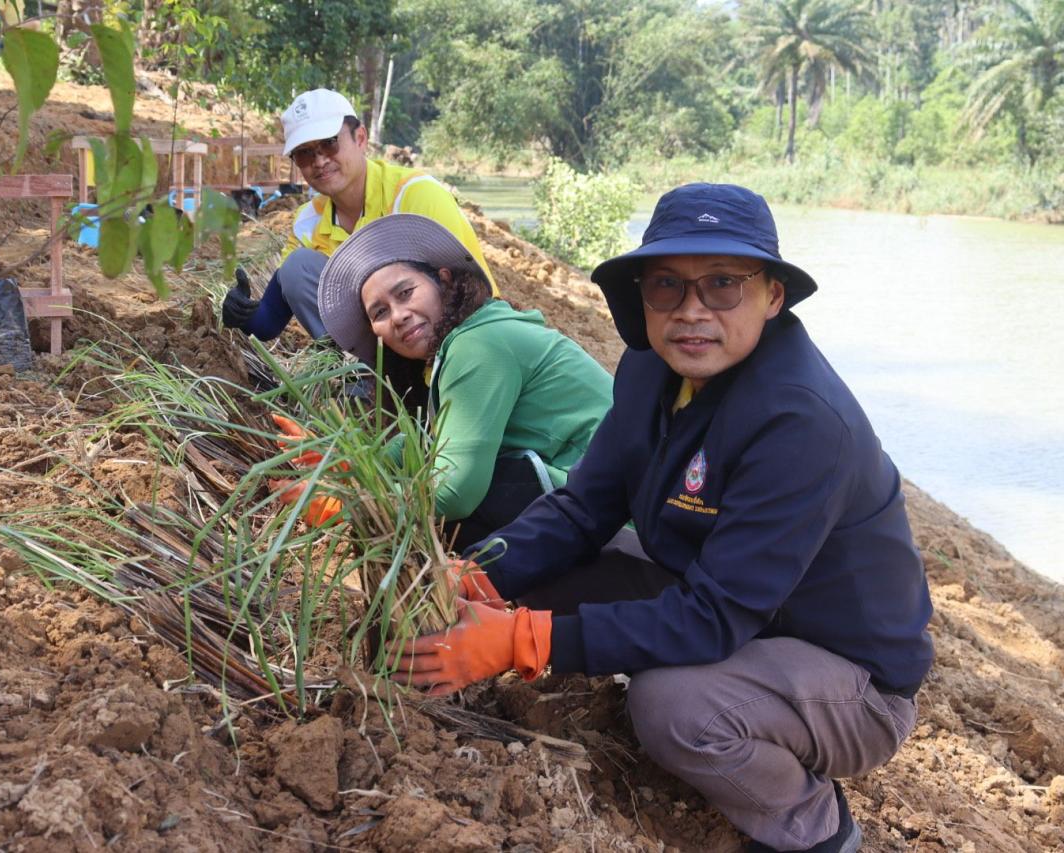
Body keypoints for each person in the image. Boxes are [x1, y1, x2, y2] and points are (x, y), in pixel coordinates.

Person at [392, 184, 935, 853]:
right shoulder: (653, 370)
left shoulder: (800, 421)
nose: (692, 310)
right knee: (560, 573)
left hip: (850, 678)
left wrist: (520, 641)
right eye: (667, 286)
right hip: (737, 605)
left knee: (672, 705)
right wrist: (477, 574)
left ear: (772, 296)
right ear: (642, 296)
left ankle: (815, 825)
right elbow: (582, 507)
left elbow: (713, 617)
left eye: (724, 284)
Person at [287, 213, 613, 549]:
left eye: (406, 293)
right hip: (598, 505)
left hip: (617, 524)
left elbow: (454, 491)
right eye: (380, 312)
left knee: (459, 512)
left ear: (443, 281)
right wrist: (346, 464)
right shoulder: (465, 341)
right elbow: (425, 442)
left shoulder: (478, 345)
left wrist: (349, 506)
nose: (398, 316)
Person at [220, 89, 494, 343]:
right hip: (382, 356)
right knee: (298, 266)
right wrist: (243, 315)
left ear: (360, 138)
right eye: (304, 153)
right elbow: (268, 324)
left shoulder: (413, 195)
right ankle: (362, 374)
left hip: (456, 340)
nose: (319, 161)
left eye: (329, 143)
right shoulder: (307, 223)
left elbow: (471, 294)